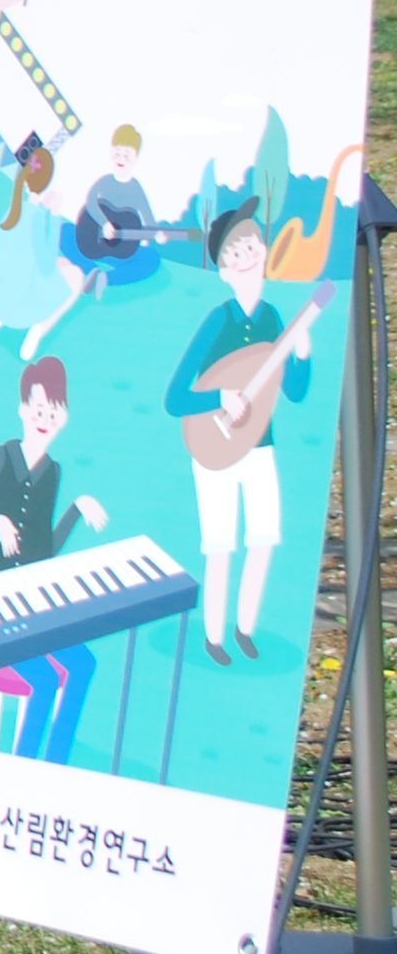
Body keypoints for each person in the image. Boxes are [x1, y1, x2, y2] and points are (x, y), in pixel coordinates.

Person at [164, 195, 324, 665]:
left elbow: (292, 391)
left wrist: (303, 353)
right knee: (220, 545)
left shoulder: (274, 318)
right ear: (223, 268)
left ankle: (246, 628)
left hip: (261, 445)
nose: (247, 254)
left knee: (263, 538)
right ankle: (213, 636)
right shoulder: (219, 320)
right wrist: (220, 398)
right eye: (235, 251)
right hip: (212, 448)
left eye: (251, 243)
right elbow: (175, 398)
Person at [0, 356, 111, 760]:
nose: (45, 418)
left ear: (64, 416)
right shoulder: (1, 458)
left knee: (84, 665)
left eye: (54, 411)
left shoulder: (52, 472)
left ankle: (58, 763)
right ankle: (29, 766)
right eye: (38, 409)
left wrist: (75, 510)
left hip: (23, 604)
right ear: (22, 410)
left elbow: (42, 551)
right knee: (46, 679)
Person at [0, 138, 81, 358]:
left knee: (63, 263)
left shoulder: (14, 210)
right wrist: (55, 215)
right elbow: (47, 266)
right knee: (75, 275)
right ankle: (38, 330)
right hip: (19, 310)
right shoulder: (34, 221)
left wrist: (42, 207)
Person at [67, 125, 167, 293]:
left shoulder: (136, 188)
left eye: (126, 155)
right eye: (117, 153)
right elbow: (91, 203)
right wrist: (105, 223)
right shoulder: (105, 181)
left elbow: (148, 218)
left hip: (122, 253)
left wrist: (157, 234)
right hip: (91, 245)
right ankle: (91, 270)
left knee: (151, 258)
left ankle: (105, 278)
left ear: (136, 158)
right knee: (66, 231)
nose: (120, 158)